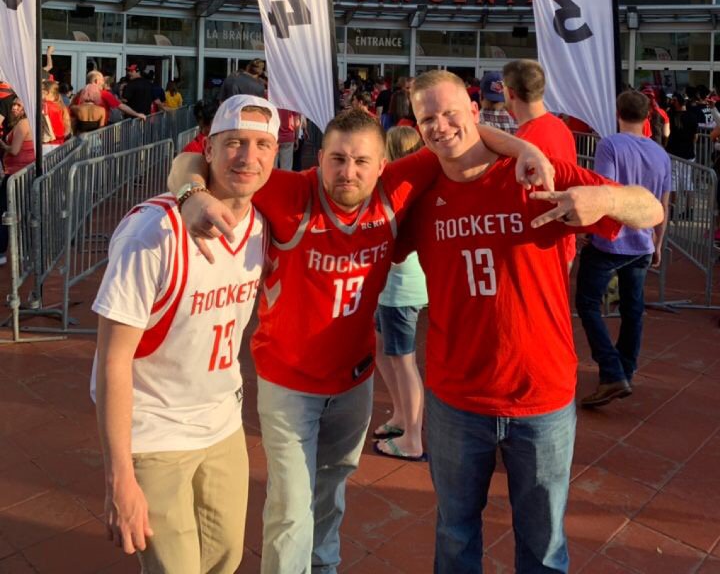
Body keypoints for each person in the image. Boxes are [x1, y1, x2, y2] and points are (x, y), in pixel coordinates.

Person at [169, 110, 553, 574]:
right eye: (337, 159)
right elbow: (193, 159)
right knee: (291, 506)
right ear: (320, 158)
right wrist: (191, 196)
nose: (347, 172)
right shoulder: (289, 191)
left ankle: (324, 567)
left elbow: (460, 137)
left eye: (360, 161)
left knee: (330, 493)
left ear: (383, 165)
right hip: (288, 382)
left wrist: (525, 148)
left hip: (353, 381)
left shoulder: (397, 188)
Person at [402, 70, 664, 574]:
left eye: (451, 113)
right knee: (455, 535)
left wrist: (603, 200)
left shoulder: (536, 172)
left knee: (543, 545)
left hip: (539, 394)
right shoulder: (420, 189)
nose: (440, 127)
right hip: (457, 396)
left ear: (476, 113)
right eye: (426, 118)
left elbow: (649, 208)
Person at [92, 95, 277, 572]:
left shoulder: (262, 224)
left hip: (222, 423)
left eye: (262, 145)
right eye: (233, 142)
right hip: (155, 430)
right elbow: (112, 359)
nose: (247, 157)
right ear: (209, 149)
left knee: (226, 558)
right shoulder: (152, 232)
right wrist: (119, 479)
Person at [575, 90, 671, 407]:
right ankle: (623, 369)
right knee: (633, 309)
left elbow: (606, 192)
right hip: (642, 241)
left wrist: (589, 229)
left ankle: (612, 369)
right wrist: (658, 241)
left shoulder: (610, 145)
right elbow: (663, 204)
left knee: (587, 303)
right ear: (647, 118)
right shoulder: (660, 154)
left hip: (611, 241)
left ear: (618, 113)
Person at [372, 126, 428, 461]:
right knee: (383, 352)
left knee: (403, 361)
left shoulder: (402, 192)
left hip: (400, 289)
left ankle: (413, 437)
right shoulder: (409, 189)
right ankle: (401, 415)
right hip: (393, 288)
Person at [503, 59, 577, 269]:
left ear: (510, 93)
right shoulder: (561, 127)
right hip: (561, 244)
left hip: (538, 251)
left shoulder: (523, 144)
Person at [0, 99, 36, 264]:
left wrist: (2, 144)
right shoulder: (24, 123)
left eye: (18, 105)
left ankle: (3, 251)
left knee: (6, 211)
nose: (14, 107)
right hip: (20, 172)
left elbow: (14, 150)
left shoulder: (23, 124)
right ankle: (26, 251)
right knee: (22, 211)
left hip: (17, 174)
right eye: (14, 104)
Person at [73, 71, 146, 127]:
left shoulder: (79, 94)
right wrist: (137, 114)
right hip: (97, 131)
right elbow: (121, 106)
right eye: (102, 80)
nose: (103, 82)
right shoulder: (103, 93)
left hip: (80, 133)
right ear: (96, 81)